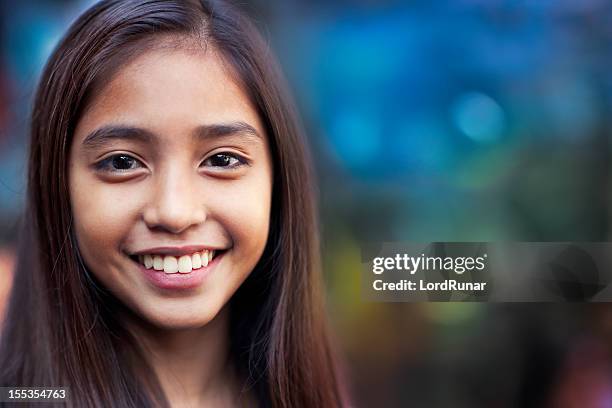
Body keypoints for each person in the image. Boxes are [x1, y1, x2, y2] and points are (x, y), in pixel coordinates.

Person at [0, 0, 347, 406]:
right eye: (122, 162)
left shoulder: (314, 390)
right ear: (57, 187)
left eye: (222, 160)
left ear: (278, 181)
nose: (175, 212)